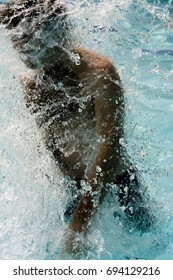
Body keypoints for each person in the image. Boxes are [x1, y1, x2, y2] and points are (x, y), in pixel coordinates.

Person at [0, 0, 152, 254]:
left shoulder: (99, 73)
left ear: (54, 35)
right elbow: (49, 143)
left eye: (26, 39)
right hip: (72, 189)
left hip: (117, 184)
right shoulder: (32, 83)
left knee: (148, 249)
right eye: (16, 40)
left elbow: (111, 149)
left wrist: (79, 225)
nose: (20, 49)